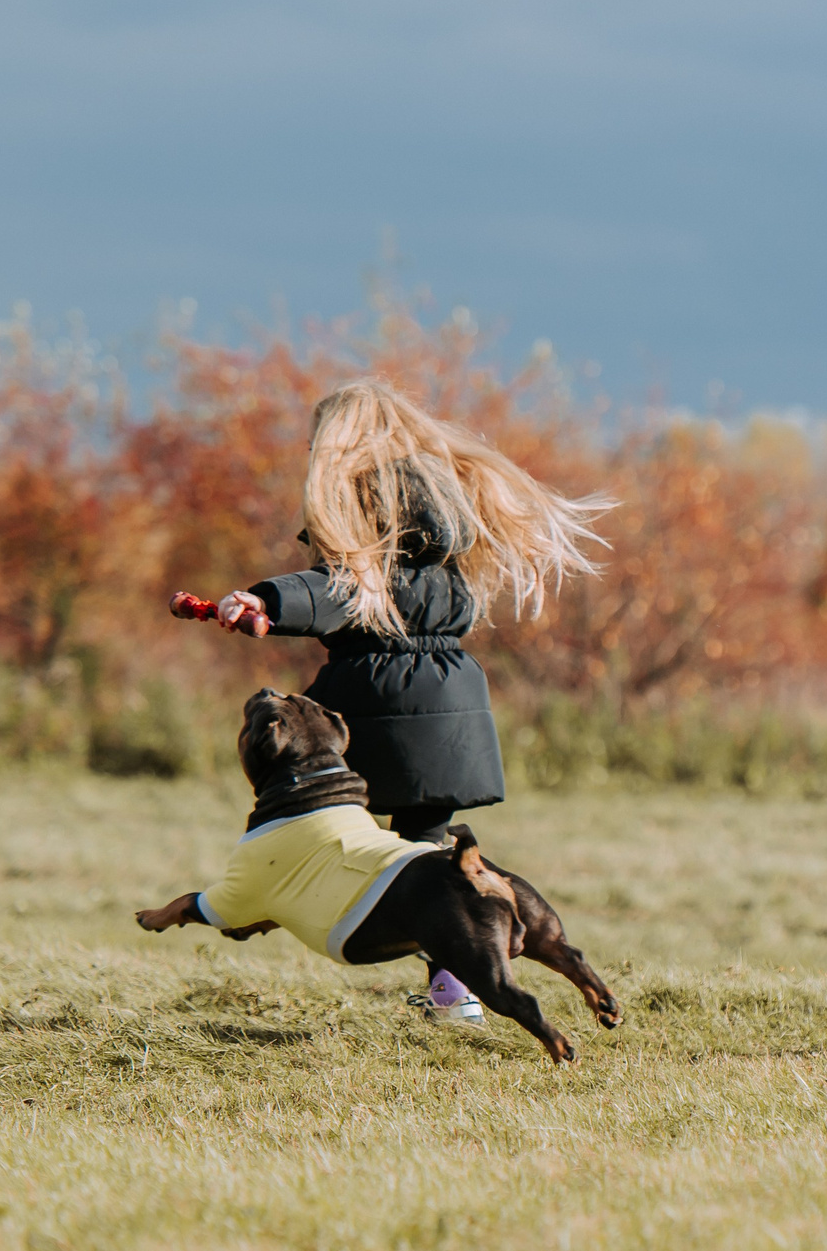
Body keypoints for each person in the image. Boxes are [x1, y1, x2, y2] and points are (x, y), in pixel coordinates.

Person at [182, 376, 609, 1012]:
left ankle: (273, 907)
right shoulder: (448, 551)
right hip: (451, 706)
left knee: (342, 836)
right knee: (431, 853)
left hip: (379, 706)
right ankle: (455, 987)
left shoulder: (372, 553)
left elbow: (333, 589)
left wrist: (265, 600)